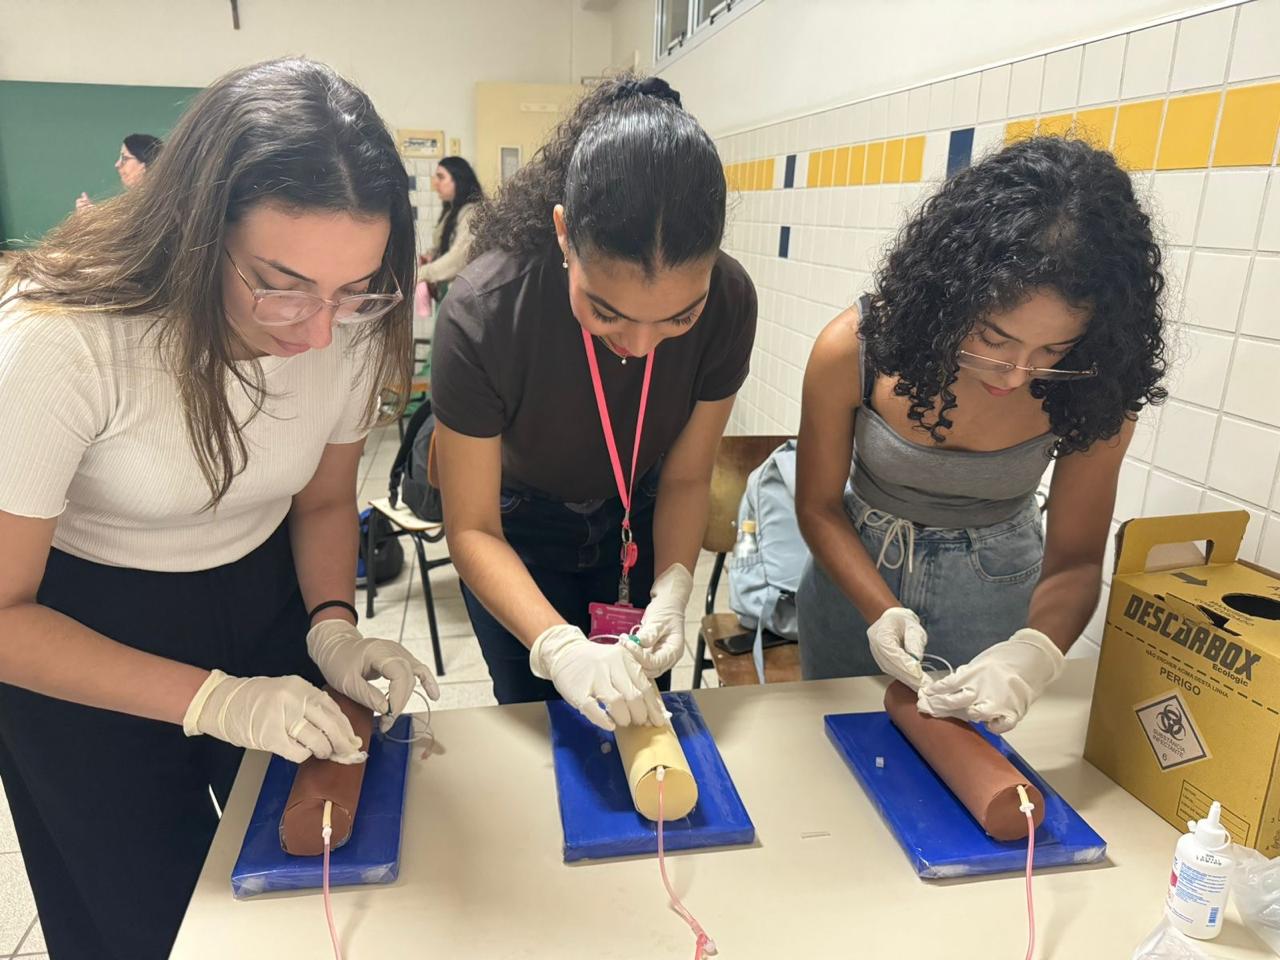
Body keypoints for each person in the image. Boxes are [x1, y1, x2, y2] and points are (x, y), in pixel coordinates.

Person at [0, 58, 438, 960]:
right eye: (281, 284)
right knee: (146, 927)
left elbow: (324, 502)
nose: (318, 330)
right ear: (197, 230)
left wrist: (332, 627)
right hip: (80, 635)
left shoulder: (346, 323)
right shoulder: (62, 337)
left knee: (311, 882)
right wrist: (212, 699)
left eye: (353, 289)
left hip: (262, 592)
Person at [796, 135, 1168, 732]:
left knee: (969, 765)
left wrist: (1034, 655)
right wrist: (881, 610)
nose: (1018, 374)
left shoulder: (1098, 383)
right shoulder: (856, 350)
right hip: (852, 588)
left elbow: (1075, 561)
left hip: (996, 597)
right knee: (834, 754)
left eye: (1053, 350)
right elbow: (817, 507)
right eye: (995, 339)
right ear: (949, 299)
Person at [432, 74, 757, 730]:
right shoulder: (485, 313)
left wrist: (674, 584)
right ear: (563, 232)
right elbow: (471, 527)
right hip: (515, 535)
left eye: (679, 318)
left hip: (637, 523)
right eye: (607, 312)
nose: (639, 345)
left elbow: (687, 476)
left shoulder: (728, 301)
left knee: (639, 724)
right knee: (541, 725)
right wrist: (557, 646)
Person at [417, 155, 484, 289]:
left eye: (441, 177)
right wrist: (430, 255)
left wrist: (422, 273)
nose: (435, 183)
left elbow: (458, 259)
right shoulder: (451, 211)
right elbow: (444, 244)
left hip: (465, 291)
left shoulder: (472, 214)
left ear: (459, 180)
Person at [75, 132, 162, 210]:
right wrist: (91, 215)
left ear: (145, 165)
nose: (117, 164)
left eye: (125, 158)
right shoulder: (134, 205)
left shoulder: (157, 208)